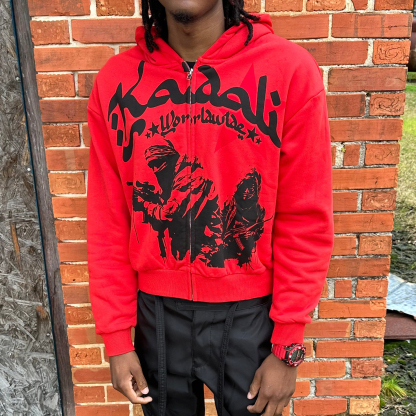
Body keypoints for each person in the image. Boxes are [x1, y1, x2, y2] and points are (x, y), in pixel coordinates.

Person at [86, 1, 335, 415]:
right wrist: (115, 339)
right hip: (155, 316)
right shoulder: (116, 81)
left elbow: (305, 216)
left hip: (251, 314)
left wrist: (288, 343)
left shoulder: (289, 69)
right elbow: (108, 220)